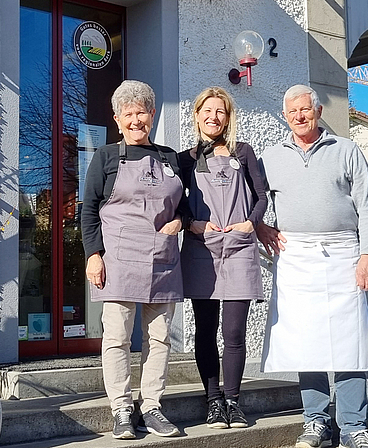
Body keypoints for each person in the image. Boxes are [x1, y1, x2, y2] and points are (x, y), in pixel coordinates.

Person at [257, 84, 368, 448]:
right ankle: (315, 422)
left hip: (345, 254)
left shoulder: (346, 150)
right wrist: (260, 226)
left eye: (306, 109)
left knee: (350, 342)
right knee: (306, 341)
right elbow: (251, 199)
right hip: (296, 257)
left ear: (317, 111)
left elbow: (367, 206)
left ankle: (352, 427)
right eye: (292, 111)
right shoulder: (270, 157)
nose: (300, 116)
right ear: (285, 116)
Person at [81, 80, 188, 440]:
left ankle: (152, 406)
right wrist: (93, 255)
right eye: (128, 114)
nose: (136, 119)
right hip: (121, 258)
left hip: (163, 258)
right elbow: (89, 209)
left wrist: (181, 221)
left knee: (160, 339)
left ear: (152, 114)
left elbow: (186, 206)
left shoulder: (170, 157)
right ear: (117, 119)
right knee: (117, 339)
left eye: (141, 112)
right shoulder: (107, 157)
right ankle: (122, 409)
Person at [179, 87, 267, 429]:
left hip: (240, 249)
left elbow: (261, 196)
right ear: (197, 114)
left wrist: (251, 223)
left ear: (228, 118)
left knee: (234, 332)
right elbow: (177, 202)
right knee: (205, 330)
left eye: (221, 112)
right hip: (203, 249)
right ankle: (213, 400)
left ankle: (233, 401)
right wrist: (194, 223)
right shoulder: (186, 158)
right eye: (208, 111)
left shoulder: (242, 152)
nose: (214, 117)